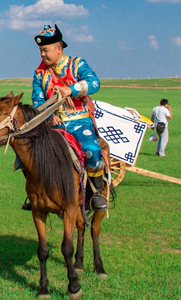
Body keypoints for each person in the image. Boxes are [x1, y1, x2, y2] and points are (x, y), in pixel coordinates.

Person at [20, 24, 108, 212]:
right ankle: (34, 193)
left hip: (80, 121)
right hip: (53, 124)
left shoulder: (78, 64)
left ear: (59, 49)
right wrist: (49, 116)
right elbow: (38, 99)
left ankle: (96, 194)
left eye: (46, 50)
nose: (42, 55)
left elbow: (94, 82)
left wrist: (71, 89)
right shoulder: (39, 73)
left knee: (92, 150)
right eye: (40, 51)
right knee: (26, 153)